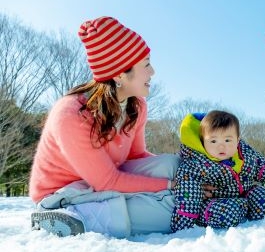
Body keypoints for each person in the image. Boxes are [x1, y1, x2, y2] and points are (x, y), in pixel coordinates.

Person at [29, 16, 181, 238]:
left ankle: (119, 207)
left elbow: (136, 156)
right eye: (146, 64)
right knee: (171, 210)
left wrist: (183, 175)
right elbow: (108, 181)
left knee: (172, 164)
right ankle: (66, 216)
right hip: (65, 191)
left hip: (104, 177)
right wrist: (169, 186)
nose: (153, 72)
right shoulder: (71, 114)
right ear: (119, 74)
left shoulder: (136, 105)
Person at [170, 110, 265, 231]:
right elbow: (188, 195)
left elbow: (262, 166)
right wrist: (183, 223)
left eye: (227, 140)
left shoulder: (245, 154)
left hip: (245, 195)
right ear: (203, 141)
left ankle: (254, 218)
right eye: (213, 141)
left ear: (237, 139)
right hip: (214, 203)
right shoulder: (196, 165)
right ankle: (238, 214)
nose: (221, 146)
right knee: (229, 212)